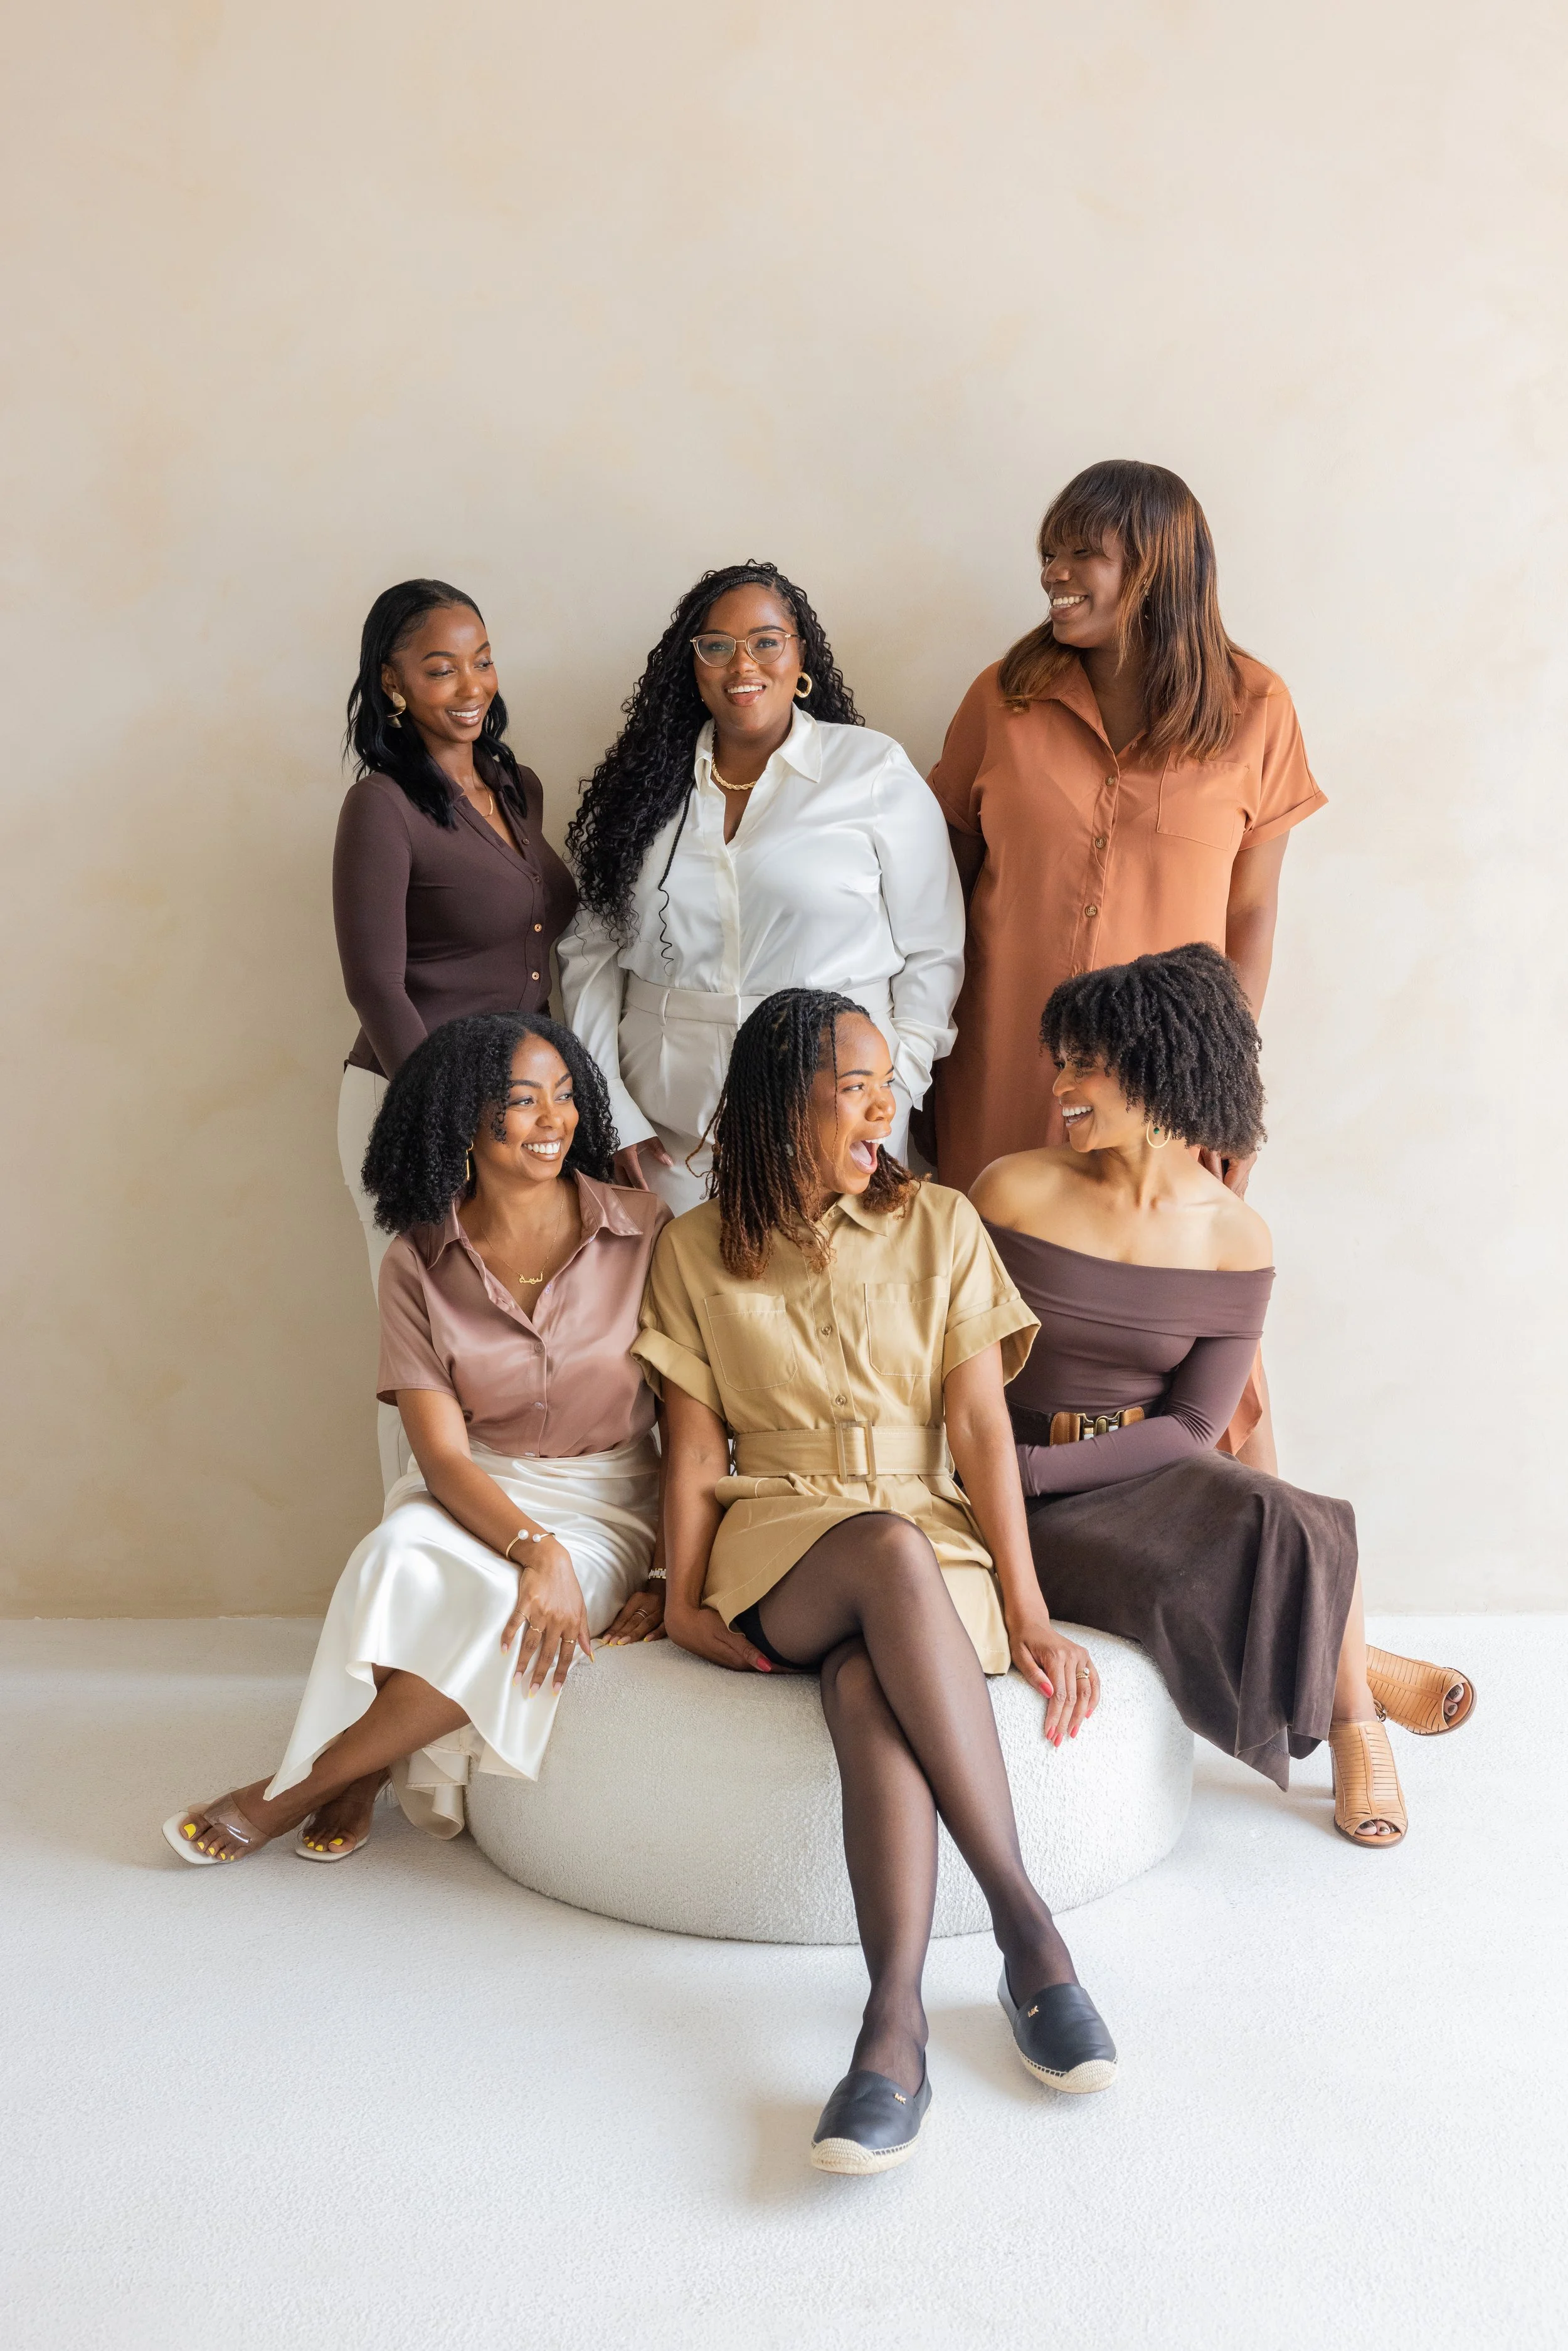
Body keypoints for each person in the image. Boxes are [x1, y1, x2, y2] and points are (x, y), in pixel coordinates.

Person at [633, 987, 1118, 2177]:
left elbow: (982, 1428)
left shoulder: (942, 1223)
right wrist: (683, 1597)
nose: (881, 1110)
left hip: (929, 1535)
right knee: (882, 1556)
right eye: (854, 1087)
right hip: (782, 1538)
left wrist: (1030, 1607)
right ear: (782, 1101)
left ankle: (892, 2030)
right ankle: (1029, 1931)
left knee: (864, 1683)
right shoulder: (692, 1249)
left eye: (886, 1086)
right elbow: (693, 1449)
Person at [969, 943, 1475, 1850]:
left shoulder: (1236, 1237)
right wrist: (1008, 1473)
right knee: (1212, 1563)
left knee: (1298, 1517)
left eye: (1086, 1065)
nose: (1061, 1087)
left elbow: (1198, 1423)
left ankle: (1354, 1722)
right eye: (1063, 1062)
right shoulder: (1008, 1192)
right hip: (1003, 1486)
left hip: (1123, 1472)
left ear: (1158, 1071)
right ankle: (1356, 1679)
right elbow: (950, 1360)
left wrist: (1038, 1467)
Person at [164, 1013, 667, 1867]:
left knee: (506, 1614)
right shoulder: (418, 1260)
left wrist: (659, 1570)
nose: (555, 1120)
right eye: (524, 1101)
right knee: (394, 1555)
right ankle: (360, 1768)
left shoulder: (645, 1229)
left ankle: (292, 1790)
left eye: (565, 1095)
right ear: (463, 1120)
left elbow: (694, 1421)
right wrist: (533, 1546)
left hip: (607, 1498)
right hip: (475, 1484)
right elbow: (439, 1456)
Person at [927, 460, 1328, 1466]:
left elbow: (1252, 914)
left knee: (1188, 1325)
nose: (1054, 575)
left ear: (1156, 567)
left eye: (1083, 555)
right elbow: (936, 890)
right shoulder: (1004, 698)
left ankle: (1240, 1533)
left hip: (1166, 1092)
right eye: (1049, 555)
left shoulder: (1256, 708)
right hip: (999, 1065)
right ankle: (978, 1532)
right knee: (975, 1314)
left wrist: (1224, 1098)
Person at [558, 563, 963, 1213]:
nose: (742, 664)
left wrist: (896, 1090)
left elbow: (933, 953)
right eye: (717, 646)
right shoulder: (642, 789)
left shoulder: (871, 771)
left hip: (840, 1126)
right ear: (693, 665)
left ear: (801, 655)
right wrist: (612, 1112)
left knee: (834, 1280)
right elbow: (590, 956)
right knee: (684, 1281)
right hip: (671, 1137)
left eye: (766, 642)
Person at [336, 580, 577, 1488]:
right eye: (440, 669)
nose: (470, 686)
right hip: (411, 1104)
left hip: (516, 1117)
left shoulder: (517, 788)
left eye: (482, 661)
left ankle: (493, 1543)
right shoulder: (382, 806)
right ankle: (406, 1556)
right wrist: (448, 1122)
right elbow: (375, 982)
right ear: (392, 683)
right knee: (425, 1348)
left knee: (498, 1345)